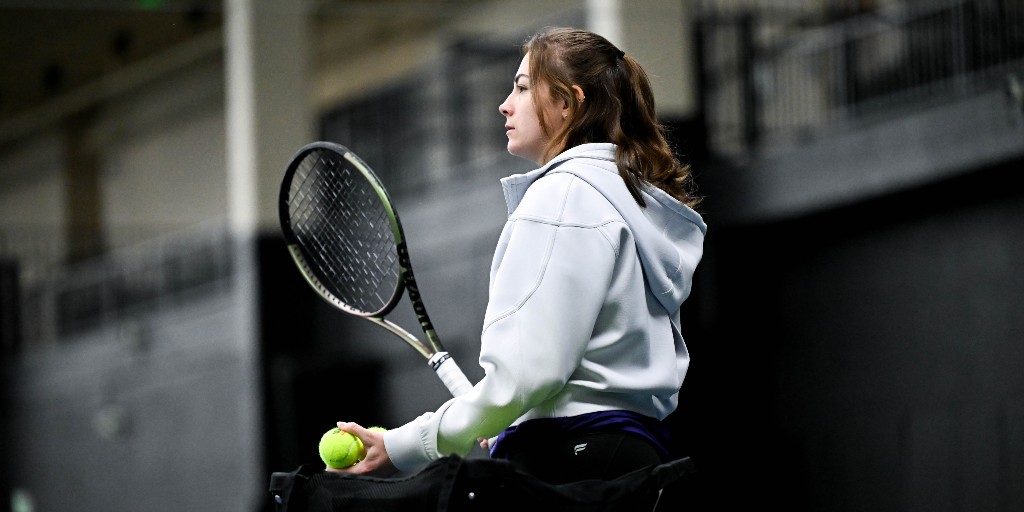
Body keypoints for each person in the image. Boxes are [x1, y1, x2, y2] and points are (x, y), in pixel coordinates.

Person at [331, 26, 706, 484]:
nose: (505, 104)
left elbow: (526, 376)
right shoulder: (627, 200)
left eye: (523, 88)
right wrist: (513, 419)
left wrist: (405, 444)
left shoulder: (561, 197)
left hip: (569, 459)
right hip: (632, 456)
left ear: (568, 102)